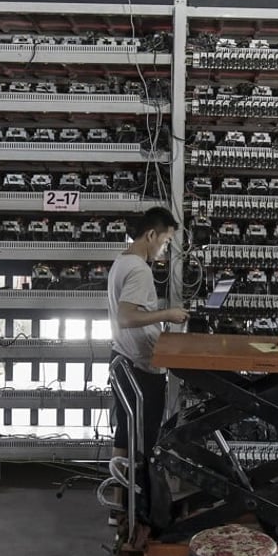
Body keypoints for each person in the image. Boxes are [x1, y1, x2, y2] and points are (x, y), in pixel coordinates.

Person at [107, 207, 188, 525]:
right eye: (166, 242)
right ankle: (144, 512)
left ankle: (118, 509)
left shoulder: (121, 261)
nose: (165, 250)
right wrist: (168, 315)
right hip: (140, 368)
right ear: (151, 235)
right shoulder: (138, 269)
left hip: (123, 361)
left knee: (125, 437)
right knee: (145, 443)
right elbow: (126, 317)